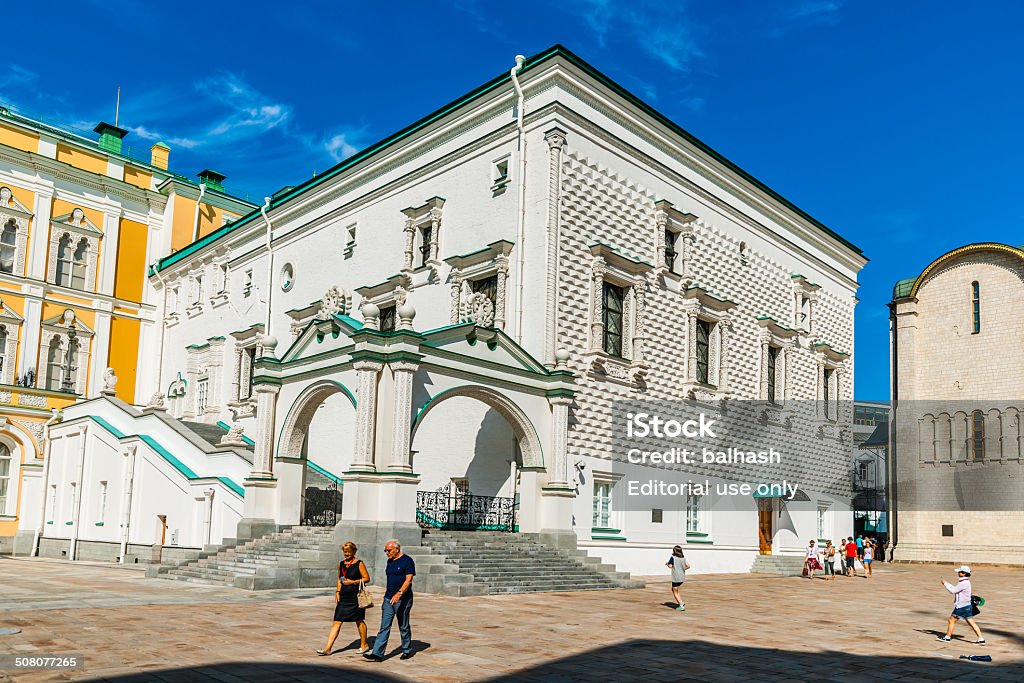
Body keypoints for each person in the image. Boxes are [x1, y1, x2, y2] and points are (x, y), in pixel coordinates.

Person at [364, 540, 416, 662]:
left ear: (397, 549)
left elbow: (408, 580)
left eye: (389, 550)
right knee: (384, 626)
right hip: (388, 598)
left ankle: (406, 650)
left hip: (403, 598)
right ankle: (377, 653)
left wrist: (399, 593)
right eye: (385, 551)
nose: (386, 553)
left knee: (403, 625)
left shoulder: (407, 561)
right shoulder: (390, 561)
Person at [317, 541, 371, 656]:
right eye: (345, 552)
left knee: (359, 620)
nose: (347, 554)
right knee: (337, 621)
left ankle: (364, 644)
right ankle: (328, 648)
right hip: (344, 597)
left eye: (349, 552)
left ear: (354, 551)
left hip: (355, 597)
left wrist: (353, 582)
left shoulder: (359, 563)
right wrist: (337, 591)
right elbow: (339, 579)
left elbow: (367, 578)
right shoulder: (341, 564)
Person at [937, 566, 985, 645]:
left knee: (951, 620)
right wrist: (947, 583)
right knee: (971, 622)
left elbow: (953, 591)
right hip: (967, 606)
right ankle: (981, 639)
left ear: (964, 573)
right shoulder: (965, 582)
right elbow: (956, 589)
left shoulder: (964, 583)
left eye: (959, 572)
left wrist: (945, 584)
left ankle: (947, 637)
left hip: (962, 606)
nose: (958, 573)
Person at [665, 545, 690, 610]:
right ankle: (681, 601)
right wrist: (681, 569)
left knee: (675, 591)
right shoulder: (683, 558)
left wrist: (667, 564)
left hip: (676, 577)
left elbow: (670, 566)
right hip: (682, 577)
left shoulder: (672, 557)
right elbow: (688, 566)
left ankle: (681, 605)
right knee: (674, 589)